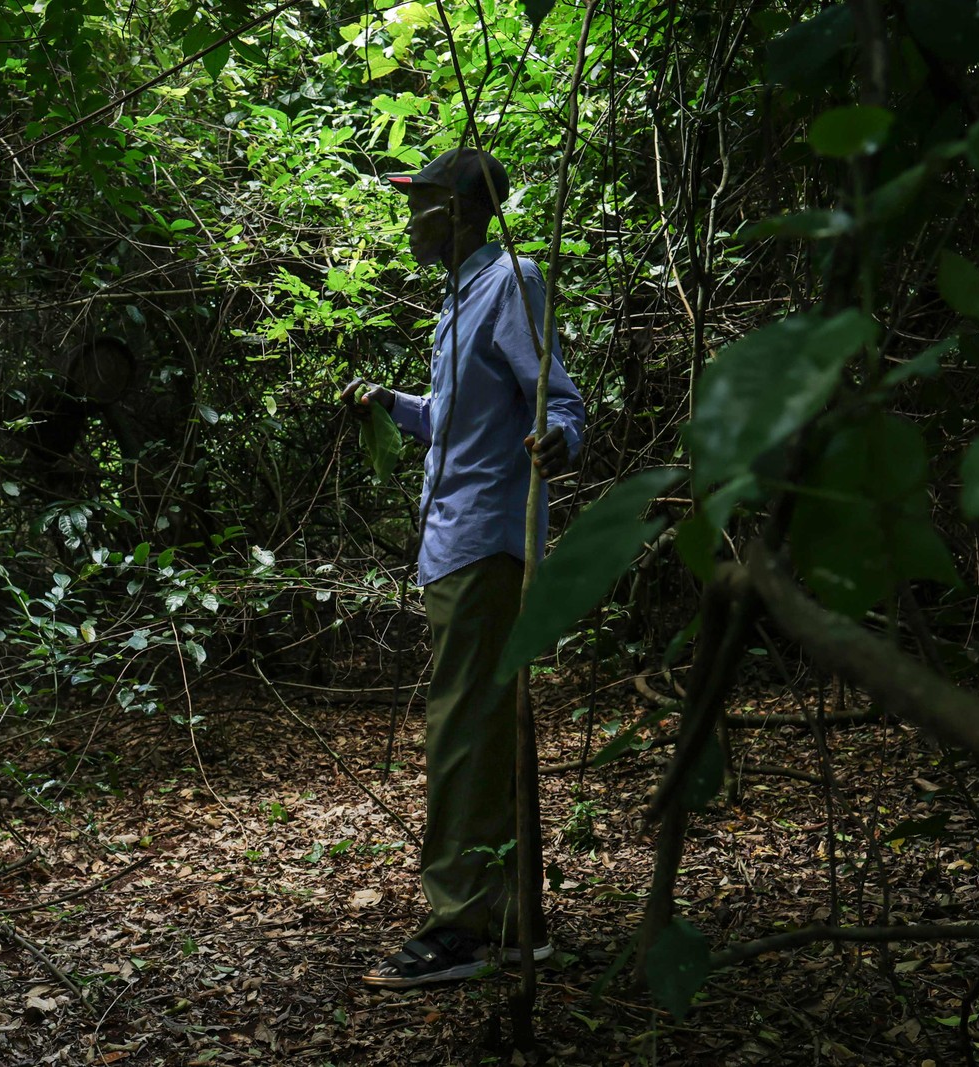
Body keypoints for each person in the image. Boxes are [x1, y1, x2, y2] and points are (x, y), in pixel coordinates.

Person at [342, 146, 586, 988]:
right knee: (477, 728)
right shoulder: (460, 298)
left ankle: (462, 926)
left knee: (460, 736)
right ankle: (513, 920)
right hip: (454, 542)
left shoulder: (511, 281)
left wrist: (562, 439)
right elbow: (454, 417)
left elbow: (558, 397)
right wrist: (391, 404)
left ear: (459, 211)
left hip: (486, 542)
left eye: (422, 204)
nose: (411, 219)